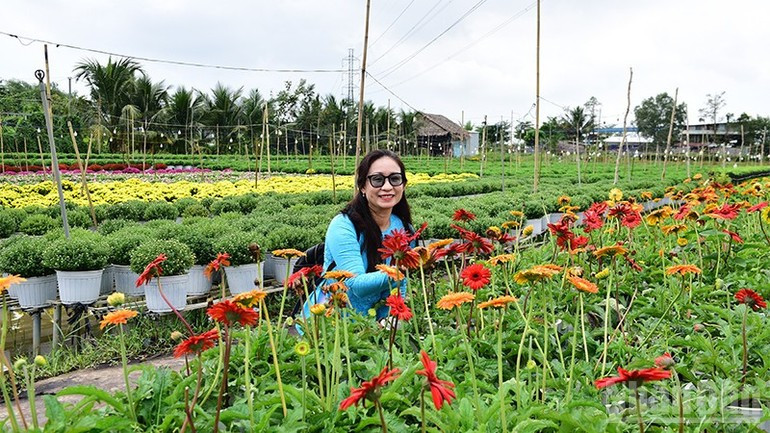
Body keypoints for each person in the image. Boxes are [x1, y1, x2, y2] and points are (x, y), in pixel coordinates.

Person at [302, 149, 414, 320]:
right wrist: (396, 272)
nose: (387, 187)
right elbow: (355, 285)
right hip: (335, 324)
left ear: (403, 185)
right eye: (377, 179)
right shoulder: (344, 226)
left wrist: (396, 318)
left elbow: (401, 284)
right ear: (362, 186)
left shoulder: (403, 226)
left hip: (380, 325)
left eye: (395, 178)